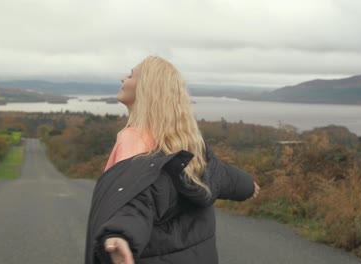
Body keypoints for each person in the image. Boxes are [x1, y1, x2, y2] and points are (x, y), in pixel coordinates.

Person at [85, 56, 260, 264]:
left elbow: (137, 197)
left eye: (131, 75)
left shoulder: (136, 140)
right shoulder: (188, 145)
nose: (123, 78)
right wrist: (248, 185)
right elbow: (222, 175)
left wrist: (119, 234)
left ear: (148, 88)